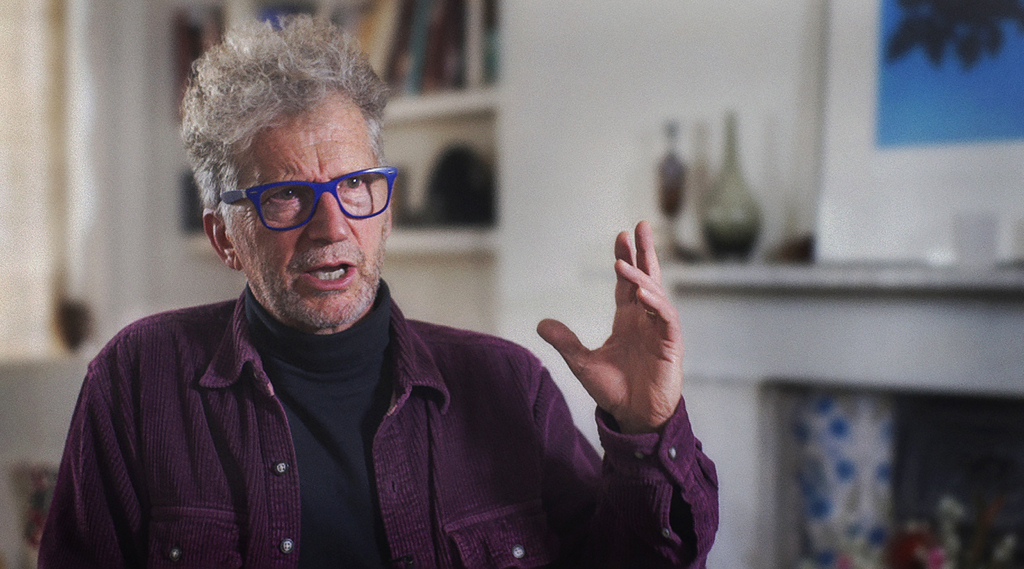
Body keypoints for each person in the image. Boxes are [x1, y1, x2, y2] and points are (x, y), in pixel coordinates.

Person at [39, 15, 718, 569]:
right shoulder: (137, 380)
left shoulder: (509, 385)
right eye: (287, 196)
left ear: (387, 211)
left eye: (357, 186)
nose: (332, 227)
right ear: (225, 238)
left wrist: (646, 428)